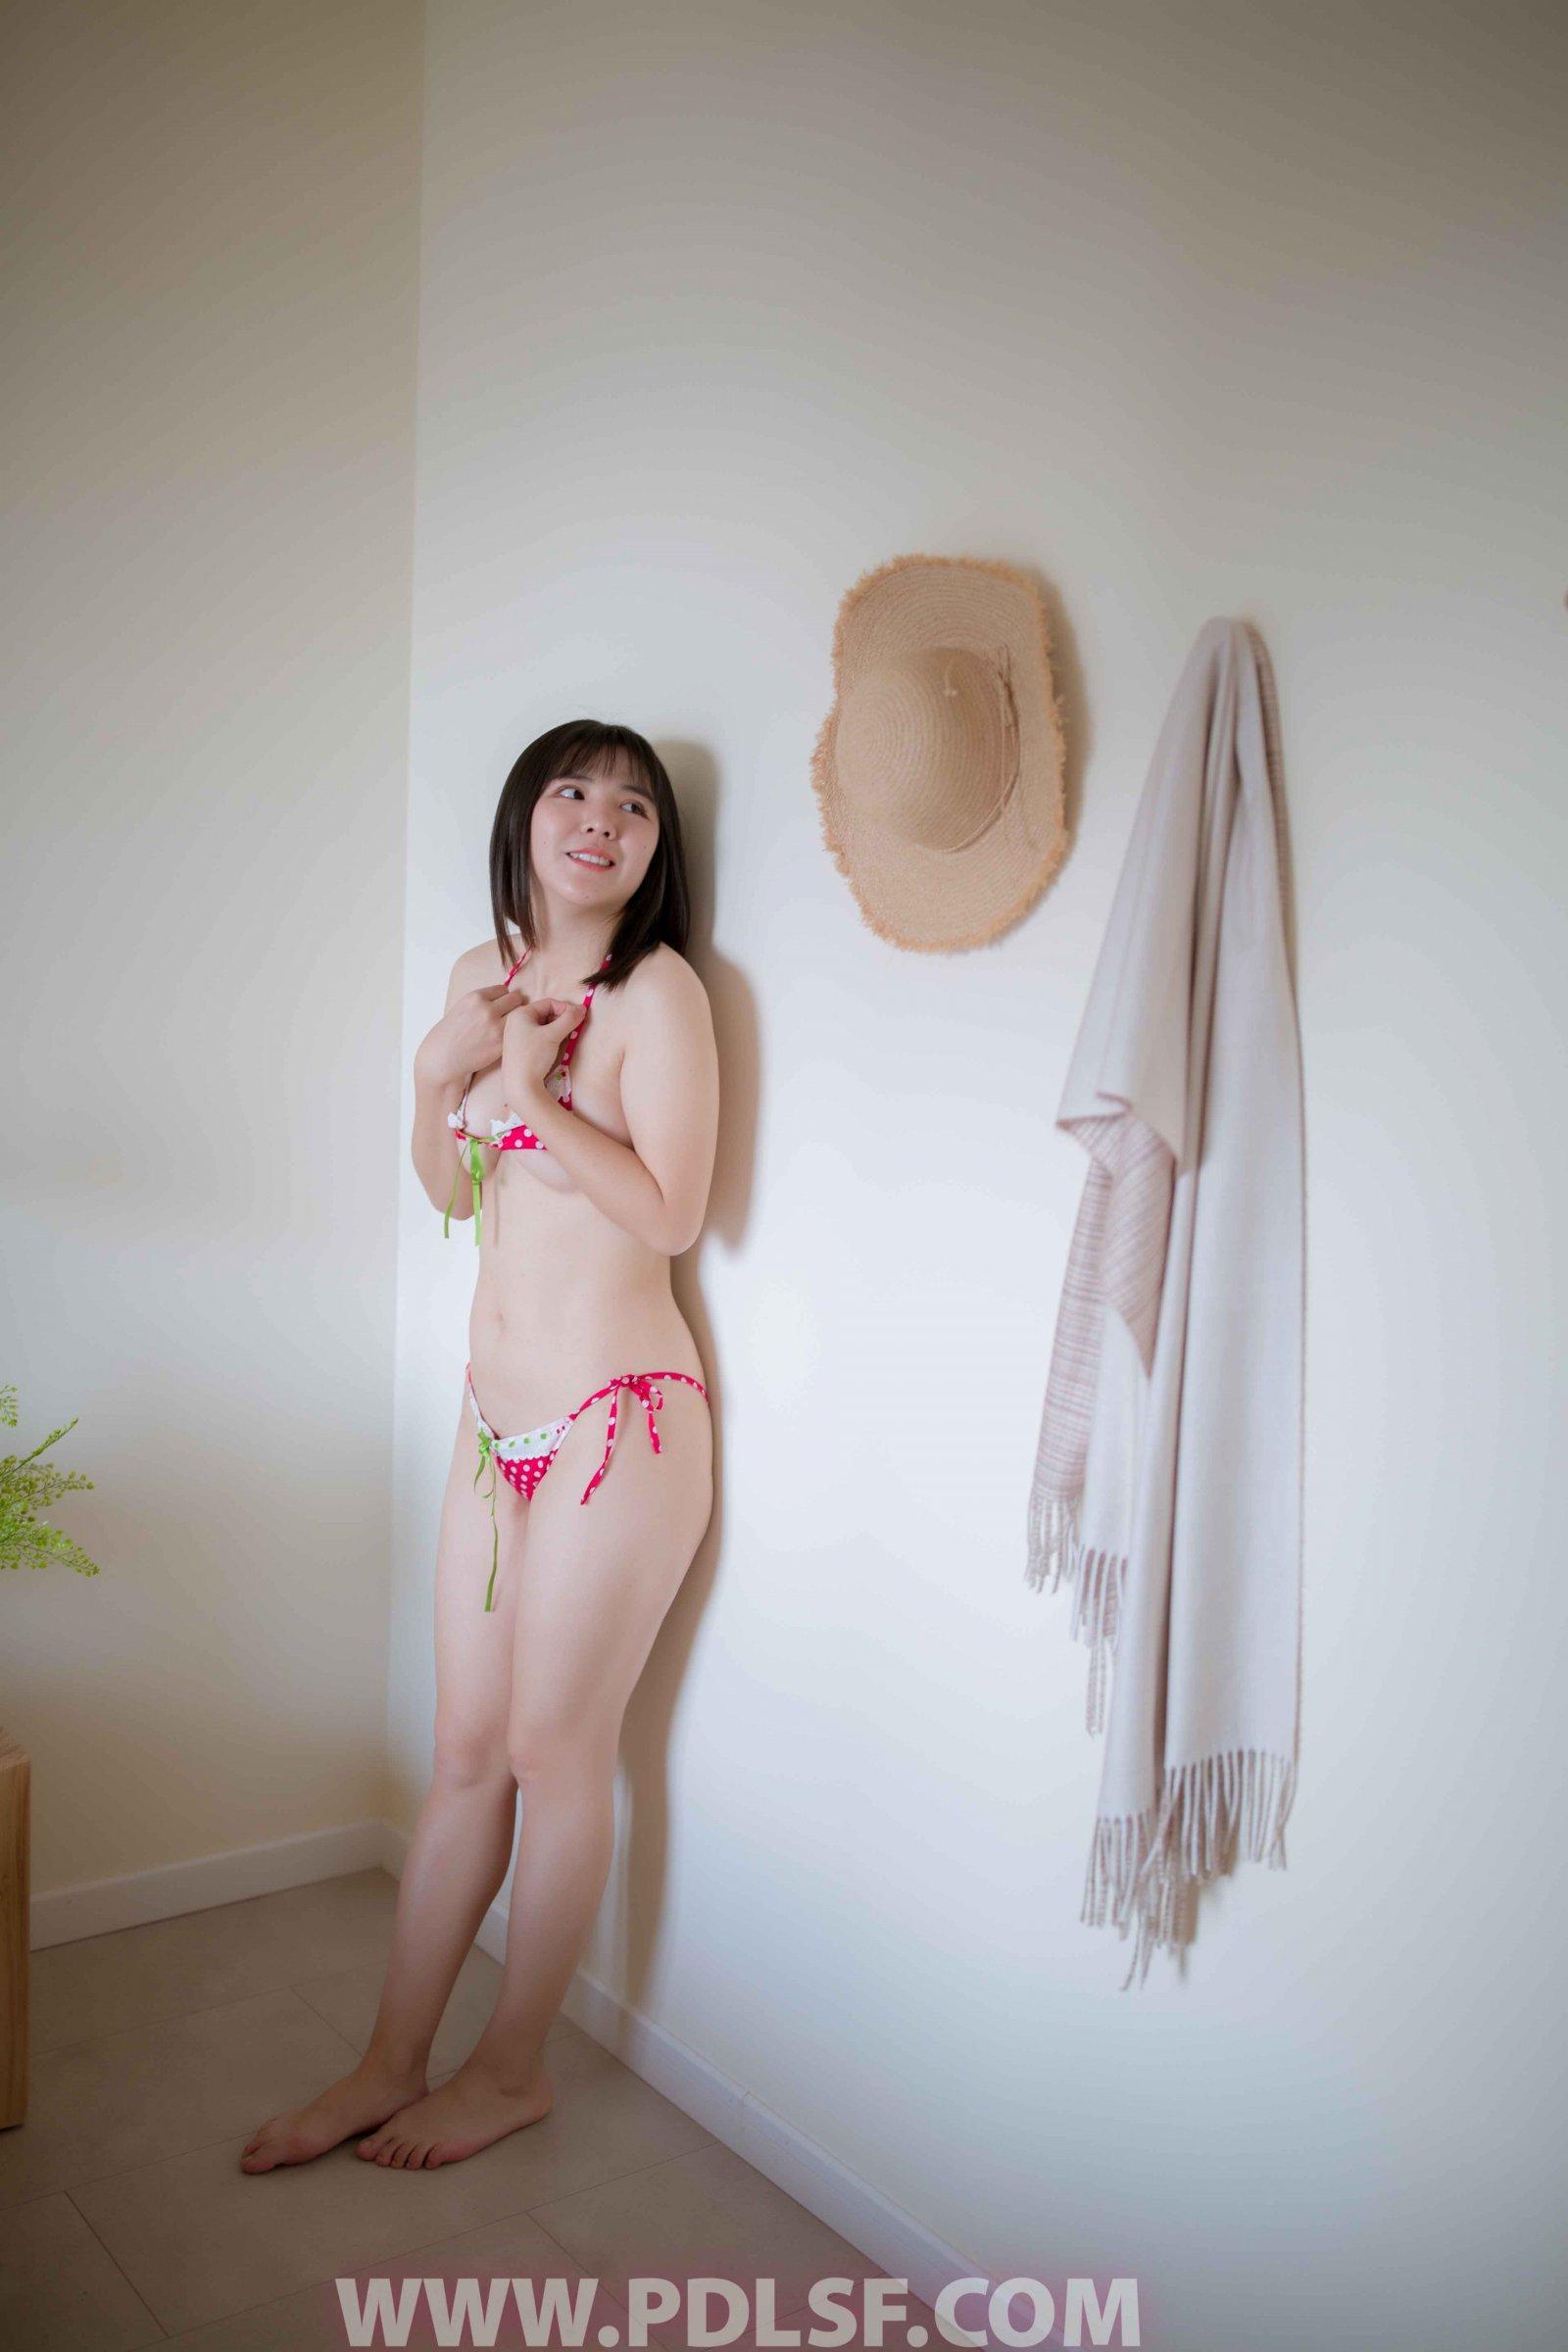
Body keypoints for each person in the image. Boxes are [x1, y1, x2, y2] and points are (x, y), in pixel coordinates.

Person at [242, 721, 718, 2172]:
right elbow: (454, 1193)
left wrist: (530, 1091)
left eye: (633, 805)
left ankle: (510, 2072)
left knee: (554, 1751)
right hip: (491, 1417)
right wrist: (432, 1076)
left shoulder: (660, 995)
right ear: (525, 816)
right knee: (463, 1754)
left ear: (654, 848)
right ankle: (389, 2062)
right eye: (573, 791)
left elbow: (672, 1213)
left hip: (621, 1419)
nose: (600, 819)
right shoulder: (483, 974)